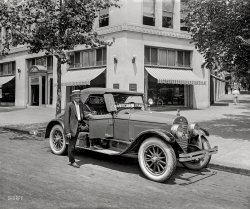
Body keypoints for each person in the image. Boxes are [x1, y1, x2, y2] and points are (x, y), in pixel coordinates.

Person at [64, 89, 93, 168]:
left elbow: (82, 115)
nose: (77, 97)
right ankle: (72, 161)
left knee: (91, 130)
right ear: (73, 97)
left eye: (79, 96)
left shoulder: (80, 104)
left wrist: (88, 115)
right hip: (73, 128)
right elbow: (66, 119)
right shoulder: (69, 105)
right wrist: (68, 132)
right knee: (72, 146)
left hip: (80, 125)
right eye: (76, 96)